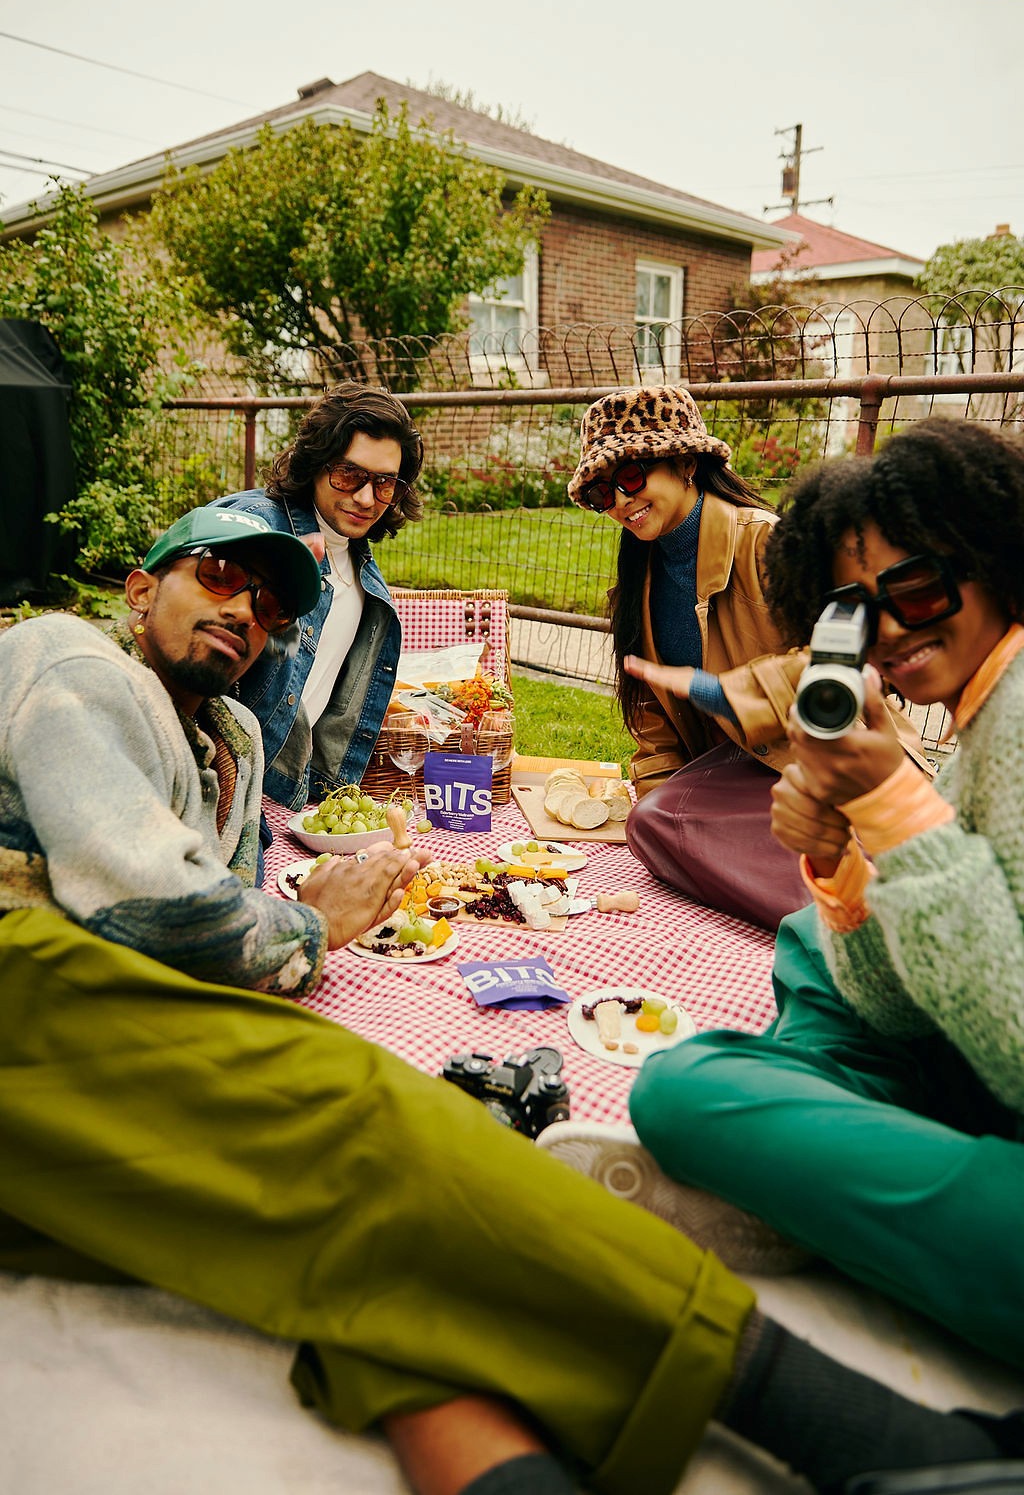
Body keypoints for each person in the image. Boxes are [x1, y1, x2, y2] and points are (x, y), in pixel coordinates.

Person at [2, 505, 1020, 1495]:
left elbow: (206, 935)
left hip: (77, 1089)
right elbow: (162, 914)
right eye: (220, 576)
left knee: (369, 1244)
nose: (247, 609)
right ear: (140, 588)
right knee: (359, 1111)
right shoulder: (75, 660)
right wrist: (311, 928)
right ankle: (865, 1426)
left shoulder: (225, 733)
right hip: (32, 978)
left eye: (268, 602)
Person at [542, 419, 1024, 1377]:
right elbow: (888, 1001)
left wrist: (891, 805)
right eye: (853, 611)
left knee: (685, 1092)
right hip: (953, 1044)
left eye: (918, 587)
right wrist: (847, 864)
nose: (890, 629)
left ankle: (796, 1174)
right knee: (810, 937)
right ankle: (809, 1162)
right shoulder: (984, 711)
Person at [567, 385, 813, 930]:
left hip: (815, 757)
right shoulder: (641, 578)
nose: (621, 503)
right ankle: (809, 881)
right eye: (603, 493)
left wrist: (719, 693)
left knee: (671, 824)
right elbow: (655, 723)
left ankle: (833, 912)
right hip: (738, 774)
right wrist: (669, 812)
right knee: (650, 822)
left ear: (684, 463)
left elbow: (847, 660)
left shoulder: (767, 543)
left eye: (631, 478)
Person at [208, 382, 424, 811]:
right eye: (349, 474)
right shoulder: (255, 534)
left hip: (288, 798)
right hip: (223, 790)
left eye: (385, 484)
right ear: (315, 462)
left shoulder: (362, 570)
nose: (365, 498)